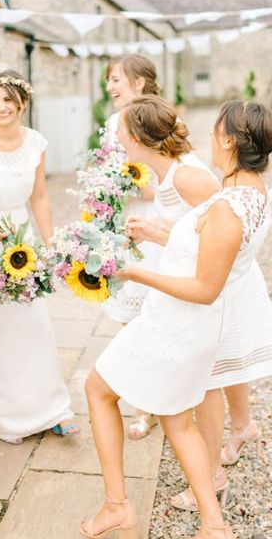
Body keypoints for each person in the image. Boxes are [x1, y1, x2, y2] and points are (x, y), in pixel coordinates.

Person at [82, 98, 272, 539]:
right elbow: (203, 250)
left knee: (97, 389)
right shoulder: (251, 193)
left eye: (214, 130)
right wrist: (157, 233)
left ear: (228, 140)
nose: (207, 136)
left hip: (177, 325)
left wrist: (132, 271)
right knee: (176, 417)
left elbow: (206, 288)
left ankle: (118, 507)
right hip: (181, 325)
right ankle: (212, 523)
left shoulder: (228, 207)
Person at [0, 70, 78, 444]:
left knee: (33, 326)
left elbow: (39, 197)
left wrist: (51, 243)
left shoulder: (36, 143)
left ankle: (52, 409)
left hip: (21, 247)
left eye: (8, 100)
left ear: (22, 103)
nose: (0, 107)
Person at [103, 55, 218, 441]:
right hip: (139, 221)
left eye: (116, 78)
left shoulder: (164, 124)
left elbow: (201, 194)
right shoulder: (112, 124)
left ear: (139, 82)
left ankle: (153, 405)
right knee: (131, 311)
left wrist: (137, 193)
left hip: (163, 217)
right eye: (108, 80)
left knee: (159, 307)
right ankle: (142, 394)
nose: (110, 86)